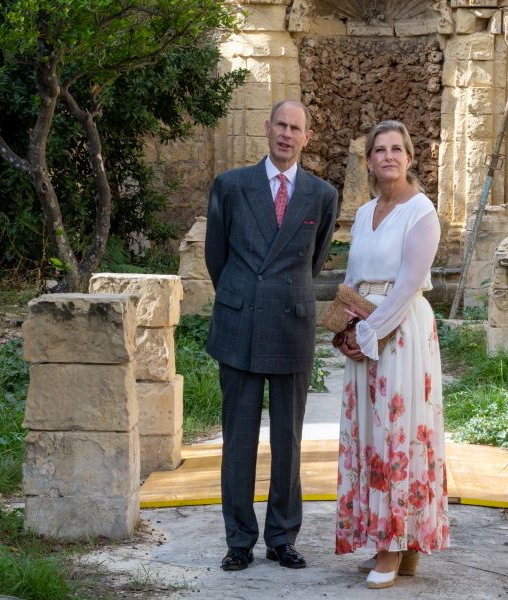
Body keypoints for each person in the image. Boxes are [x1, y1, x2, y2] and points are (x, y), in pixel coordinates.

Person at [205, 100, 338, 571]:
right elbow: (215, 257)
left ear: (306, 138)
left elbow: (314, 261)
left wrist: (277, 291)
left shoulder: (322, 194)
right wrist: (243, 297)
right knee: (238, 439)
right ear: (266, 129)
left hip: (291, 323)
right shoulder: (231, 185)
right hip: (240, 322)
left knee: (289, 439)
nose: (286, 134)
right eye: (280, 125)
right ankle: (239, 539)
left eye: (295, 128)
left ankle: (282, 537)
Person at [333, 120, 449, 589]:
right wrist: (347, 328)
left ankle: (394, 547)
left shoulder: (421, 211)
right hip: (365, 326)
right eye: (379, 150)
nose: (389, 156)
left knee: (397, 433)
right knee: (370, 435)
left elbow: (406, 286)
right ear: (369, 161)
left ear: (410, 156)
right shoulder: (363, 214)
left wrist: (369, 333)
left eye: (397, 148)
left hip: (399, 332)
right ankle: (400, 545)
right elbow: (353, 277)